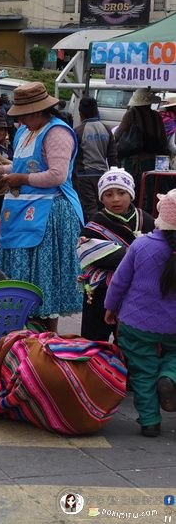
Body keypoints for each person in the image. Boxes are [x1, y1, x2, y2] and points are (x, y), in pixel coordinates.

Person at [0, 82, 84, 332]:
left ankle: (46, 335)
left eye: (23, 115)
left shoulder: (57, 133)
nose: (20, 120)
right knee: (21, 274)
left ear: (38, 111)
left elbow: (57, 175)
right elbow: (19, 165)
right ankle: (21, 334)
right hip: (21, 211)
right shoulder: (25, 132)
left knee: (44, 278)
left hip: (49, 214)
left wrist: (22, 179)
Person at [104, 188, 176, 438]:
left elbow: (119, 282)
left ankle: (150, 422)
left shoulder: (142, 245)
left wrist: (111, 308)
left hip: (137, 322)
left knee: (143, 372)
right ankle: (170, 376)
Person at [79, 167, 155, 342]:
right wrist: (138, 253)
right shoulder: (94, 226)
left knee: (130, 342)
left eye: (122, 193)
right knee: (95, 341)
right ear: (101, 198)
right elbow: (89, 252)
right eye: (108, 194)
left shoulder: (146, 220)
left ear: (131, 194)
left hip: (135, 293)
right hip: (101, 292)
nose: (115, 199)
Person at [115, 88, 168, 200]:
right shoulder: (156, 116)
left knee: (134, 191)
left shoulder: (131, 114)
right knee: (151, 192)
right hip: (153, 160)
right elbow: (163, 140)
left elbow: (118, 135)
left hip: (135, 162)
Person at [74, 97, 117, 221]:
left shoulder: (78, 131)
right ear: (97, 111)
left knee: (89, 208)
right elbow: (112, 156)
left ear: (80, 113)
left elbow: (73, 156)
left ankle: (93, 229)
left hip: (84, 176)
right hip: (103, 175)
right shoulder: (106, 129)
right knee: (104, 206)